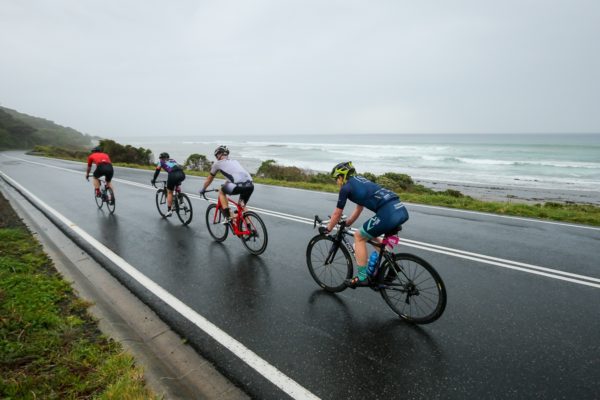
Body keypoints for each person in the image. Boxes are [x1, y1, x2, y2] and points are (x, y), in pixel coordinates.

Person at [322, 161, 409, 288]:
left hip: (388, 213)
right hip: (400, 209)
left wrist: (327, 229)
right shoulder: (361, 180)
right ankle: (393, 265)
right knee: (369, 234)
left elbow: (336, 214)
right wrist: (348, 223)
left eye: (336, 179)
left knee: (358, 236)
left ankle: (362, 277)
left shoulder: (346, 188)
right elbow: (359, 208)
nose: (337, 182)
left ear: (342, 177)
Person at [199, 145, 254, 223]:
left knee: (222, 192)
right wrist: (225, 185)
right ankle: (250, 228)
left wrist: (203, 189)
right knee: (242, 206)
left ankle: (228, 217)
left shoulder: (217, 164)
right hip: (250, 185)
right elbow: (233, 177)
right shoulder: (234, 161)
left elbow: (209, 179)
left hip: (238, 186)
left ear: (219, 154)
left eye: (216, 155)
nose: (216, 157)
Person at [151, 152, 185, 217]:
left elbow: (157, 171)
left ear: (162, 158)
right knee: (177, 184)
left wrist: (154, 180)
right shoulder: (172, 160)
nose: (160, 160)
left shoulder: (161, 162)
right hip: (182, 174)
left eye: (160, 158)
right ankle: (181, 202)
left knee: (170, 192)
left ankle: (169, 210)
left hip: (173, 175)